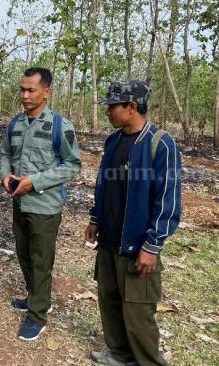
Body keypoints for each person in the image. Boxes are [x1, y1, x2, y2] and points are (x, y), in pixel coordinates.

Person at [86, 80, 181, 366]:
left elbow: (168, 199)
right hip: (110, 241)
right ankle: (119, 353)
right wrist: (95, 218)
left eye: (113, 107)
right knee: (110, 301)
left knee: (138, 314)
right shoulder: (113, 141)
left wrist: (152, 245)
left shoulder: (159, 143)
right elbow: (104, 183)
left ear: (132, 106)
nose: (108, 113)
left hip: (137, 245)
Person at [0, 67, 82, 341]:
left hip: (45, 207)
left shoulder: (60, 125)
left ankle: (37, 315)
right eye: (22, 89)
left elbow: (72, 165)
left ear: (47, 91)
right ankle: (36, 297)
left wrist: (35, 181)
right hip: (20, 204)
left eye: (31, 90)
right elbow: (5, 154)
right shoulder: (15, 124)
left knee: (41, 260)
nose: (24, 95)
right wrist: (5, 174)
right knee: (24, 253)